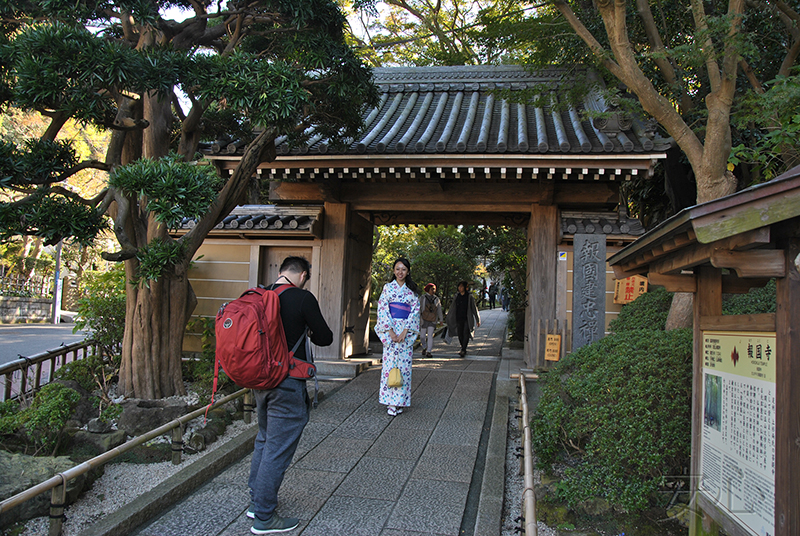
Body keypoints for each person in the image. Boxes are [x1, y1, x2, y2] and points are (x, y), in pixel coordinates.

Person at [247, 256, 333, 534]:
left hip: (260, 381)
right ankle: (264, 517)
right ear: (303, 275)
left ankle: (256, 501)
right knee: (278, 448)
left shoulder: (261, 295)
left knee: (264, 439)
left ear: (281, 271)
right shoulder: (303, 298)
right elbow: (325, 337)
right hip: (288, 382)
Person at [374, 258, 420, 416]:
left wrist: (405, 331)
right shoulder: (387, 288)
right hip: (390, 331)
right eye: (397, 269)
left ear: (408, 272)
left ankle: (400, 402)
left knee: (404, 368)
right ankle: (390, 402)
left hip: (405, 333)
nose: (400, 272)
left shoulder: (411, 291)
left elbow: (415, 312)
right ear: (393, 271)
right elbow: (382, 309)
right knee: (389, 367)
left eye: (404, 269)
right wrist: (390, 331)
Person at [445, 281, 480, 357]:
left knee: (466, 333)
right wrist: (448, 315)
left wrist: (477, 319)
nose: (460, 288)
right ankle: (462, 347)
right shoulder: (456, 296)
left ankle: (463, 349)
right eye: (459, 286)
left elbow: (474, 308)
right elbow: (452, 307)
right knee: (460, 334)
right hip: (458, 317)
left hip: (467, 318)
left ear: (465, 287)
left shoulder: (469, 297)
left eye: (461, 286)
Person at [418, 283, 443, 357]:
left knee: (430, 335)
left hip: (432, 320)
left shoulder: (436, 299)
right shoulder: (422, 298)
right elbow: (418, 308)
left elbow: (439, 309)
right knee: (422, 336)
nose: (433, 290)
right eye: (432, 289)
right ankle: (424, 346)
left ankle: (429, 351)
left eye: (434, 289)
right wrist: (418, 318)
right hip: (423, 319)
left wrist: (441, 319)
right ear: (428, 289)